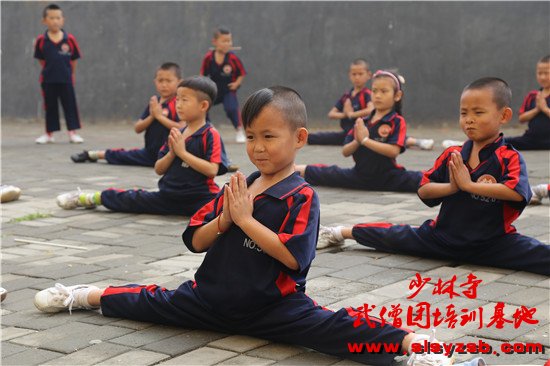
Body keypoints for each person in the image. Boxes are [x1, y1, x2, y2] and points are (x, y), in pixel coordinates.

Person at [34, 86, 453, 366]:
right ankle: (83, 294)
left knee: (335, 328)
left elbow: (294, 257)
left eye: (269, 137)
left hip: (274, 308)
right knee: (148, 300)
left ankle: (414, 345)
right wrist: (224, 219)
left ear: (299, 138)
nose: (258, 147)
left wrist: (247, 221)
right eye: (251, 137)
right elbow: (195, 242)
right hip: (208, 299)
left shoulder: (301, 196)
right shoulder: (238, 186)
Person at [317, 77, 550, 276]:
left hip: (494, 244)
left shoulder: (508, 156)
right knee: (394, 235)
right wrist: (452, 187)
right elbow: (424, 189)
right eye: (463, 113)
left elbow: (516, 192)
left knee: (541, 255)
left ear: (504, 115)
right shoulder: (453, 154)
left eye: (478, 113)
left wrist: (469, 185)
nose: (469, 119)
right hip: (441, 238)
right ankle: (338, 232)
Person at [55, 76, 229, 216]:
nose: (178, 104)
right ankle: (89, 198)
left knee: (228, 209)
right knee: (131, 198)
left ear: (203, 105)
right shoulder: (176, 133)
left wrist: (182, 153)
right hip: (168, 195)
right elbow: (159, 169)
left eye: (184, 100)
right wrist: (172, 154)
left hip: (200, 199)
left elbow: (212, 170)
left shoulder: (210, 134)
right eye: (177, 99)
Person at [296, 70, 423, 192]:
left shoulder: (397, 121)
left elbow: (393, 151)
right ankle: (295, 169)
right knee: (329, 173)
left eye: (384, 91)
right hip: (359, 177)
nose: (378, 95)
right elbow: (345, 152)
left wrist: (365, 140)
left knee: (422, 179)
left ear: (397, 95)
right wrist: (357, 141)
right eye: (374, 91)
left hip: (390, 178)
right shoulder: (362, 122)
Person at [70, 63, 183, 167]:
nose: (164, 85)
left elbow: (182, 127)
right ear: (155, 81)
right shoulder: (154, 103)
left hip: (170, 156)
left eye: (168, 81)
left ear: (179, 82)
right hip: (149, 153)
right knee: (121, 155)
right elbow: (138, 128)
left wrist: (160, 117)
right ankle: (91, 154)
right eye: (160, 80)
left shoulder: (179, 104)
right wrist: (152, 116)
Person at [308, 60, 433, 150]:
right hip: (349, 133)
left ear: (368, 75)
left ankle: (417, 142)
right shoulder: (347, 96)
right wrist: (346, 114)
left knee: (389, 137)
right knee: (318, 137)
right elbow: (331, 114)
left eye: (360, 74)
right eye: (354, 74)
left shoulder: (368, 94)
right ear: (349, 75)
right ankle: (301, 137)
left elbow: (370, 110)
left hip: (369, 131)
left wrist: (352, 114)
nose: (357, 77)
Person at [34, 3, 84, 144]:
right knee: (50, 107)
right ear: (44, 20)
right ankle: (49, 134)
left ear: (63, 20)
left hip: (66, 79)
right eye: (51, 18)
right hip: (48, 80)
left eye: (58, 18)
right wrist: (49, 70)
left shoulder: (69, 40)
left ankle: (72, 133)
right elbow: (41, 59)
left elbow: (74, 60)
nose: (55, 21)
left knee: (70, 105)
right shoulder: (41, 41)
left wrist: (69, 73)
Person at [200, 27, 247, 143]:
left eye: (229, 41)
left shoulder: (233, 58)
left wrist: (236, 84)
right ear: (215, 42)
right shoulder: (209, 58)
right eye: (224, 41)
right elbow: (202, 74)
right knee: (202, 107)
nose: (228, 44)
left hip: (228, 90)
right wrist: (203, 87)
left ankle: (239, 130)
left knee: (231, 108)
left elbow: (242, 73)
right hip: (213, 90)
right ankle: (208, 129)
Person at [505, 55, 550, 150]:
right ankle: (473, 145)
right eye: (539, 73)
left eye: (546, 73)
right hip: (532, 139)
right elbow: (521, 119)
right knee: (502, 142)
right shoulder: (532, 95)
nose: (542, 77)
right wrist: (537, 109)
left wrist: (545, 109)